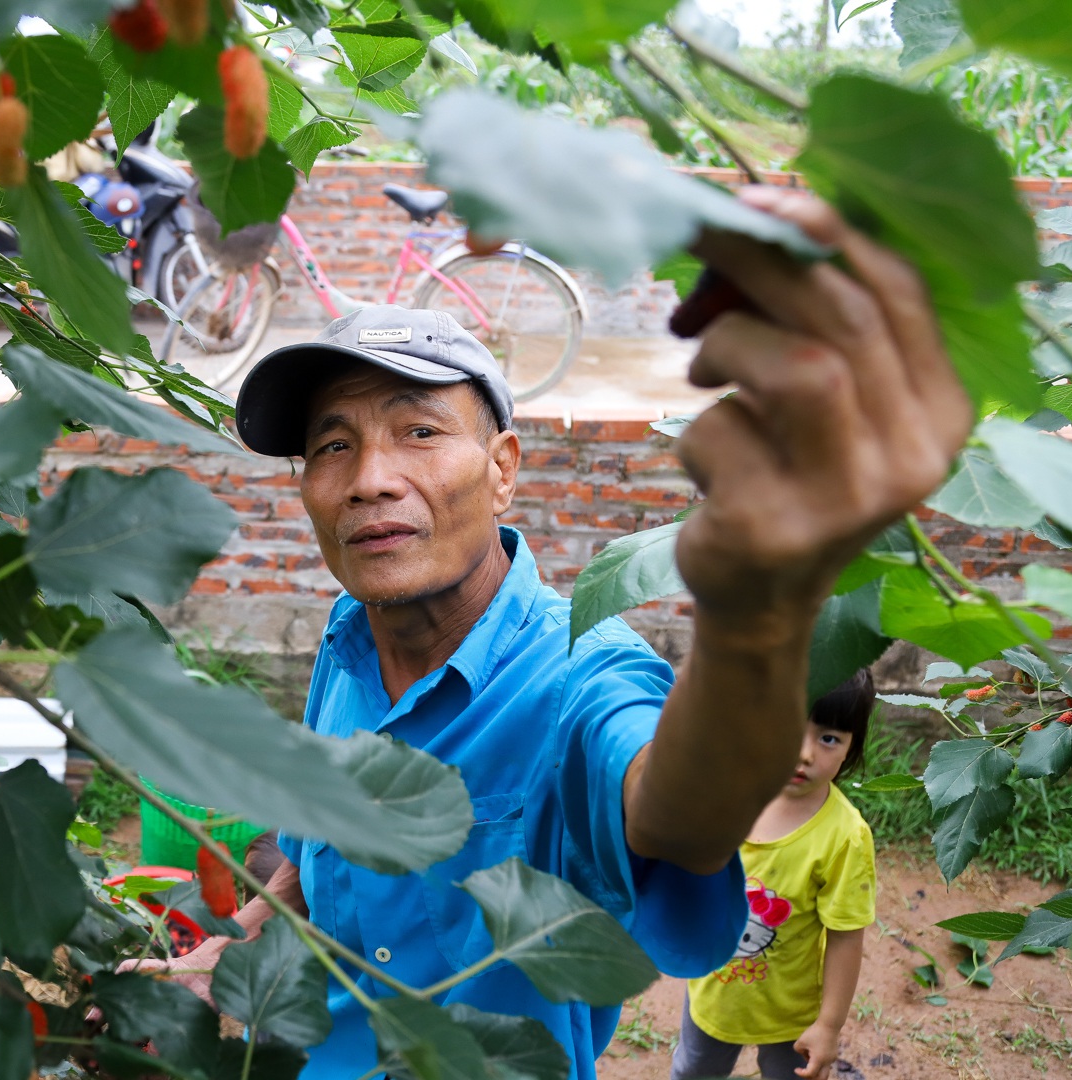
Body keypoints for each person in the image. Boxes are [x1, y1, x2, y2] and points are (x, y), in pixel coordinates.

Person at [129, 190, 973, 1080]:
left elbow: (675, 815)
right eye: (333, 446)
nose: (371, 478)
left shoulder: (584, 678)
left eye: (419, 431)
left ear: (502, 472)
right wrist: (245, 941)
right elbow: (317, 848)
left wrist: (746, 606)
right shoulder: (349, 636)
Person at [671, 668, 878, 1080]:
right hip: (713, 994)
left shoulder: (844, 837)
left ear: (851, 748)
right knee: (695, 1070)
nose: (803, 753)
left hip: (794, 1013)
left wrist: (829, 1025)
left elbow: (845, 937)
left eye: (828, 738)